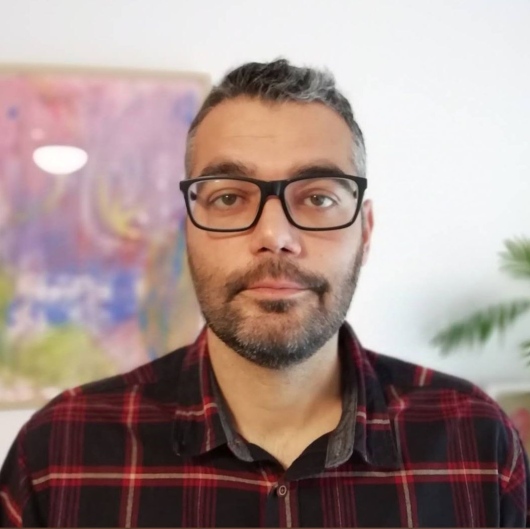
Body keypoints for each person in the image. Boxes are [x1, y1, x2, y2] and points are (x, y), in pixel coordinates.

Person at [1, 59, 528, 528]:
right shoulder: (57, 457)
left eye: (318, 197)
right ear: (187, 231)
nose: (274, 235)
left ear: (365, 232)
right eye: (229, 197)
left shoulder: (477, 443)